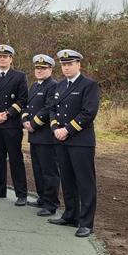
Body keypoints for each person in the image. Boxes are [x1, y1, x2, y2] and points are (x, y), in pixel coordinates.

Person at [47, 49, 100, 238]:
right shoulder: (59, 86)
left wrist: (66, 130)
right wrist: (55, 129)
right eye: (63, 64)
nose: (66, 67)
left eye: (70, 64)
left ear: (79, 65)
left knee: (85, 182)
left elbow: (88, 113)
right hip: (60, 140)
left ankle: (86, 223)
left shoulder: (89, 85)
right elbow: (52, 109)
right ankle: (70, 215)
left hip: (80, 142)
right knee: (67, 180)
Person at [0, 44, 29, 206]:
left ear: (11, 59)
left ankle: (21, 194)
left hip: (12, 124)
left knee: (15, 158)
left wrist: (7, 114)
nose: (2, 59)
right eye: (0, 56)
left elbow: (22, 100)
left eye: (5, 56)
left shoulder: (19, 76)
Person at [22, 54, 61, 217]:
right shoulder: (35, 86)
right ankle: (42, 197)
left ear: (50, 69)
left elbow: (49, 107)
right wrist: (24, 120)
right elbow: (27, 106)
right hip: (34, 135)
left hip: (45, 135)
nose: (39, 71)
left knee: (49, 170)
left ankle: (51, 204)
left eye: (43, 68)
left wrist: (34, 123)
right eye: (37, 68)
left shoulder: (53, 86)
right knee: (37, 168)